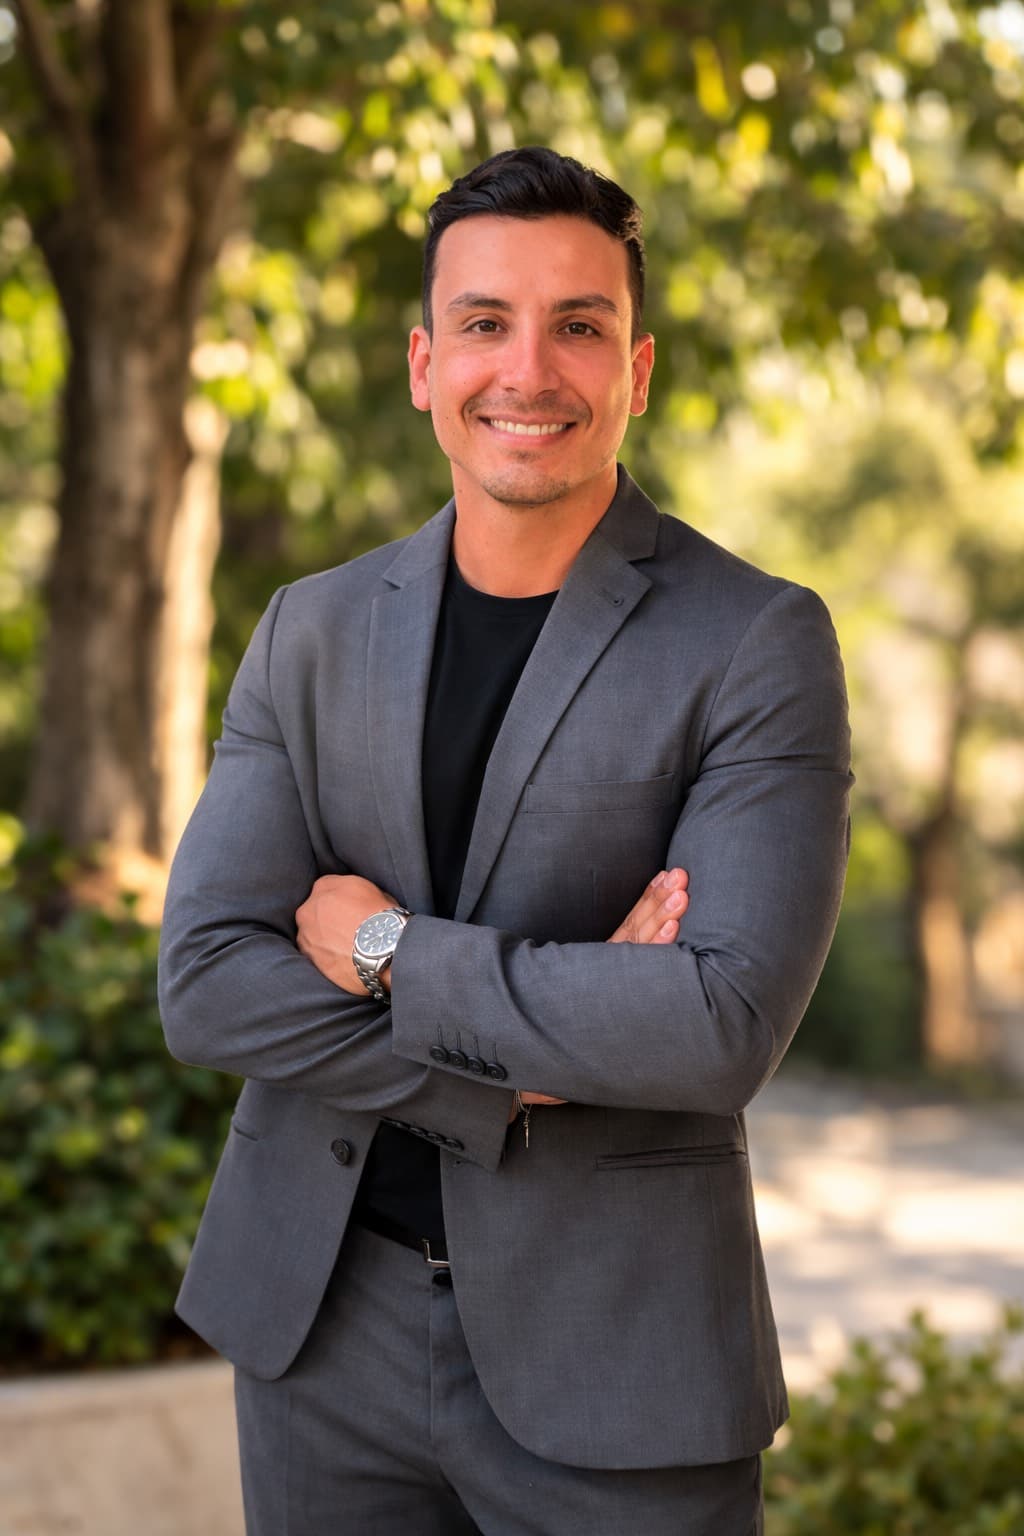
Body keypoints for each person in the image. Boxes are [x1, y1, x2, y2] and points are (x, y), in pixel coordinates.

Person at [159, 146, 852, 1536]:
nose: (527, 370)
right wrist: (530, 1058)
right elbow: (208, 979)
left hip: (622, 1359)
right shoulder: (312, 627)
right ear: (425, 364)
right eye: (485, 322)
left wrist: (381, 947)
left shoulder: (758, 641)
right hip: (320, 1327)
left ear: (637, 369)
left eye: (578, 326)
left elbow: (716, 1021)